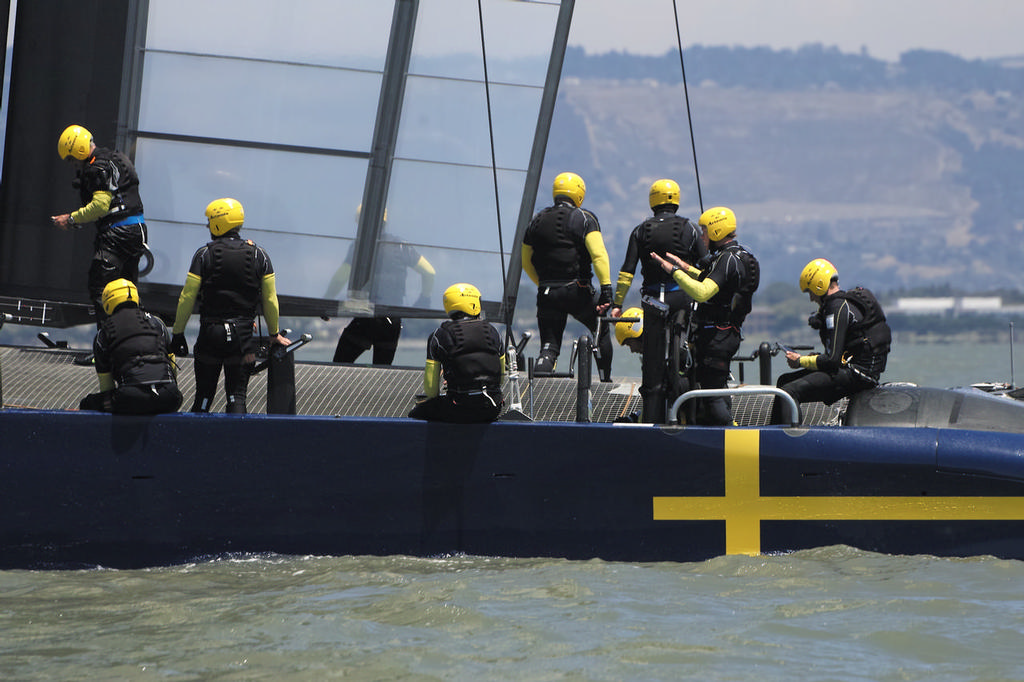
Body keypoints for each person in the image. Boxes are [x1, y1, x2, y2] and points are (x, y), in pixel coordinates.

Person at [168, 198, 291, 413]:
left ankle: (195, 442)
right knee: (237, 398)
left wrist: (178, 333)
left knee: (204, 397)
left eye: (209, 221)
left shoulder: (203, 254)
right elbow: (270, 299)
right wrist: (274, 334)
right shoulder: (259, 254)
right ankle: (236, 443)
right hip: (243, 338)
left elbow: (186, 297)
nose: (207, 226)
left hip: (211, 334)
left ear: (218, 223)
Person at [651, 206, 760, 425]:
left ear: (717, 231)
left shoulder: (727, 259)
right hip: (727, 334)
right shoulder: (738, 255)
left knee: (712, 396)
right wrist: (686, 267)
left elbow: (703, 292)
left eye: (705, 231)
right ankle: (727, 433)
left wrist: (673, 272)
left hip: (717, 338)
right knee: (716, 389)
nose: (702, 237)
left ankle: (732, 435)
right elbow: (714, 279)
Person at [610, 178, 707, 422]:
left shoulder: (640, 230)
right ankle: (688, 388)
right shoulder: (691, 228)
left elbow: (627, 272)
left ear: (652, 200)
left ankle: (651, 417)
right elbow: (705, 266)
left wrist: (617, 304)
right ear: (676, 199)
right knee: (689, 353)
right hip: (682, 297)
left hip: (653, 300)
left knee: (652, 369)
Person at [769, 258, 892, 425]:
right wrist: (815, 360)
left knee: (789, 391)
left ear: (818, 286)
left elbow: (833, 360)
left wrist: (801, 361)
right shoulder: (843, 304)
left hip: (856, 376)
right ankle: (774, 433)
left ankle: (787, 440)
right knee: (784, 381)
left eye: (810, 292)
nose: (811, 298)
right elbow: (839, 355)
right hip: (853, 370)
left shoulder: (836, 308)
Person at [50, 124, 148, 325]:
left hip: (117, 234)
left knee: (101, 287)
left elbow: (100, 206)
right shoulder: (117, 158)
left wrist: (70, 219)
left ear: (77, 150)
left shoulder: (96, 167)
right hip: (137, 230)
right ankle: (132, 340)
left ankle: (106, 348)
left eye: (71, 159)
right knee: (128, 291)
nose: (73, 164)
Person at [522, 172, 614, 381]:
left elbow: (525, 262)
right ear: (579, 194)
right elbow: (598, 254)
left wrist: (544, 285)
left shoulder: (536, 221)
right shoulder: (584, 218)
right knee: (601, 327)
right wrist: (607, 291)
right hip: (577, 291)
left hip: (546, 293)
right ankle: (605, 379)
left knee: (549, 348)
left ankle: (540, 392)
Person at [324, 206, 436, 365]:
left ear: (361, 222)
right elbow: (429, 272)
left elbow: (340, 277)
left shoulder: (361, 246)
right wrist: (424, 299)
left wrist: (326, 301)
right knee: (383, 373)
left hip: (367, 318)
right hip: (392, 321)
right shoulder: (401, 246)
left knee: (340, 365)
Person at [79, 278, 182, 415]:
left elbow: (106, 386)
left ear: (108, 303)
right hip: (171, 397)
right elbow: (172, 362)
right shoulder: (157, 323)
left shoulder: (103, 334)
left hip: (131, 398)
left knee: (88, 403)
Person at [408, 283, 504, 423]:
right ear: (475, 303)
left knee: (417, 411)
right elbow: (500, 378)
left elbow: (431, 390)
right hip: (492, 408)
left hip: (459, 407)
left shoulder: (439, 335)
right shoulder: (493, 332)